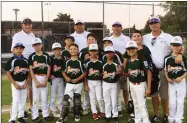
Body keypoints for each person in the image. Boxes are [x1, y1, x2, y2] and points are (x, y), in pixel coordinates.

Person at [143, 16, 183, 123]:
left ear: (160, 24)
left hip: (164, 70)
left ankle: (165, 114)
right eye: (151, 23)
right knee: (154, 95)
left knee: (165, 95)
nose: (154, 25)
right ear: (149, 26)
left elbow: (179, 46)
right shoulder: (145, 38)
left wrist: (180, 54)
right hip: (152, 71)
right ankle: (156, 115)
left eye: (156, 23)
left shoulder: (168, 37)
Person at [11, 18, 35, 117]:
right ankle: (21, 111)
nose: (28, 26)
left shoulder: (33, 35)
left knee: (30, 87)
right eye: (25, 24)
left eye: (29, 24)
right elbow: (13, 50)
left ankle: (31, 107)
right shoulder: (17, 35)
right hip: (22, 64)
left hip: (32, 64)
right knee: (20, 89)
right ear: (22, 25)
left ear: (31, 25)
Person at [56, 44, 87, 123]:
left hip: (78, 83)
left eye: (75, 49)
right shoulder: (67, 61)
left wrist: (77, 79)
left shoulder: (80, 61)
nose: (73, 51)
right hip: (69, 84)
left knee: (77, 100)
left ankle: (77, 114)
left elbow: (84, 73)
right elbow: (63, 71)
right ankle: (63, 116)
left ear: (78, 50)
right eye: (71, 49)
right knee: (66, 99)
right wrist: (66, 77)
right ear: (69, 51)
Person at [124, 41, 151, 123]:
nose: (130, 50)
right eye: (128, 49)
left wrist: (148, 87)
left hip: (140, 85)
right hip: (132, 84)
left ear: (136, 49)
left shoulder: (141, 59)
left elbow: (149, 72)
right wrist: (120, 71)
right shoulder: (128, 61)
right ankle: (138, 120)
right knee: (135, 104)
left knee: (142, 105)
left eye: (132, 48)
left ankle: (146, 121)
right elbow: (127, 74)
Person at [28, 38, 53, 122]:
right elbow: (31, 69)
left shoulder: (46, 55)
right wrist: (35, 80)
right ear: (33, 46)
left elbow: (49, 68)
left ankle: (45, 114)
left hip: (44, 77)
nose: (37, 46)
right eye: (35, 44)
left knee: (44, 96)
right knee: (35, 97)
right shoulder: (32, 56)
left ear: (42, 45)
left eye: (38, 44)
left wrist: (46, 80)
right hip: (36, 77)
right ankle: (35, 116)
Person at [164, 36, 187, 123]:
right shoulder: (167, 58)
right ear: (171, 46)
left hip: (181, 82)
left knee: (180, 101)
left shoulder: (183, 58)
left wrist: (181, 78)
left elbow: (186, 71)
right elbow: (166, 70)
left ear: (181, 47)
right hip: (171, 83)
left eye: (177, 45)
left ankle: (178, 119)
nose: (175, 47)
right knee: (172, 102)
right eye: (173, 45)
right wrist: (167, 78)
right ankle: (171, 118)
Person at [79, 33, 103, 115]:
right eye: (89, 39)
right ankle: (86, 107)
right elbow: (80, 62)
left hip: (98, 77)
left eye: (92, 39)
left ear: (95, 41)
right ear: (87, 41)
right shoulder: (83, 51)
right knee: (87, 93)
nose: (91, 41)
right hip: (88, 76)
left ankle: (101, 109)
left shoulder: (100, 50)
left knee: (99, 96)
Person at [110, 21, 131, 116]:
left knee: (125, 88)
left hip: (124, 65)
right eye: (114, 27)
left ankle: (127, 104)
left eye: (118, 26)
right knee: (115, 88)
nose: (116, 28)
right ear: (112, 28)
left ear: (121, 28)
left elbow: (129, 52)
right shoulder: (109, 39)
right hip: (112, 67)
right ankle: (117, 107)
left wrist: (124, 65)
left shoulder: (126, 39)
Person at [5, 43, 30, 123]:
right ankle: (12, 119)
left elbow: (29, 73)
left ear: (22, 49)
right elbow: (8, 73)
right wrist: (14, 84)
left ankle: (20, 117)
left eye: (21, 48)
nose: (19, 50)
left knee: (23, 100)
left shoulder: (26, 60)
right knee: (16, 100)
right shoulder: (12, 60)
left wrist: (26, 83)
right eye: (17, 48)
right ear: (14, 49)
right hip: (15, 82)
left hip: (24, 82)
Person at [71, 20, 91, 114]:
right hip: (76, 62)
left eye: (80, 24)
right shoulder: (72, 36)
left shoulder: (89, 34)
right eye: (77, 25)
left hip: (88, 61)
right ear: (74, 26)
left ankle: (87, 106)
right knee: (76, 86)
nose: (79, 26)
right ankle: (74, 106)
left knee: (87, 85)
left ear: (84, 25)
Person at [84, 44, 105, 120]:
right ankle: (94, 112)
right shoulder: (86, 62)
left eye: (95, 51)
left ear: (97, 51)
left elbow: (103, 73)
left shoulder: (100, 62)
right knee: (92, 98)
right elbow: (85, 75)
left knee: (100, 98)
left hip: (98, 81)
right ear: (89, 51)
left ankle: (102, 111)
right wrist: (85, 84)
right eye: (91, 51)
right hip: (90, 81)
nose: (93, 52)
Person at [103, 46, 121, 123]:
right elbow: (101, 74)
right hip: (105, 83)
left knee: (114, 101)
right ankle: (107, 115)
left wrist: (118, 72)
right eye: (107, 52)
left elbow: (120, 72)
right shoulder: (103, 64)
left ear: (113, 53)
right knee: (107, 101)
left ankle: (115, 115)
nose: (109, 54)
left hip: (114, 84)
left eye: (110, 52)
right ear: (105, 54)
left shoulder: (116, 64)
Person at [49, 43, 64, 118]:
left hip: (61, 79)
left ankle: (61, 109)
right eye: (55, 49)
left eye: (58, 49)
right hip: (54, 79)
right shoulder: (51, 58)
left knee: (61, 95)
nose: (57, 50)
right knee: (53, 95)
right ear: (53, 50)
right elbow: (48, 68)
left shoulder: (63, 58)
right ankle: (53, 109)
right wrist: (50, 75)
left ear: (61, 50)